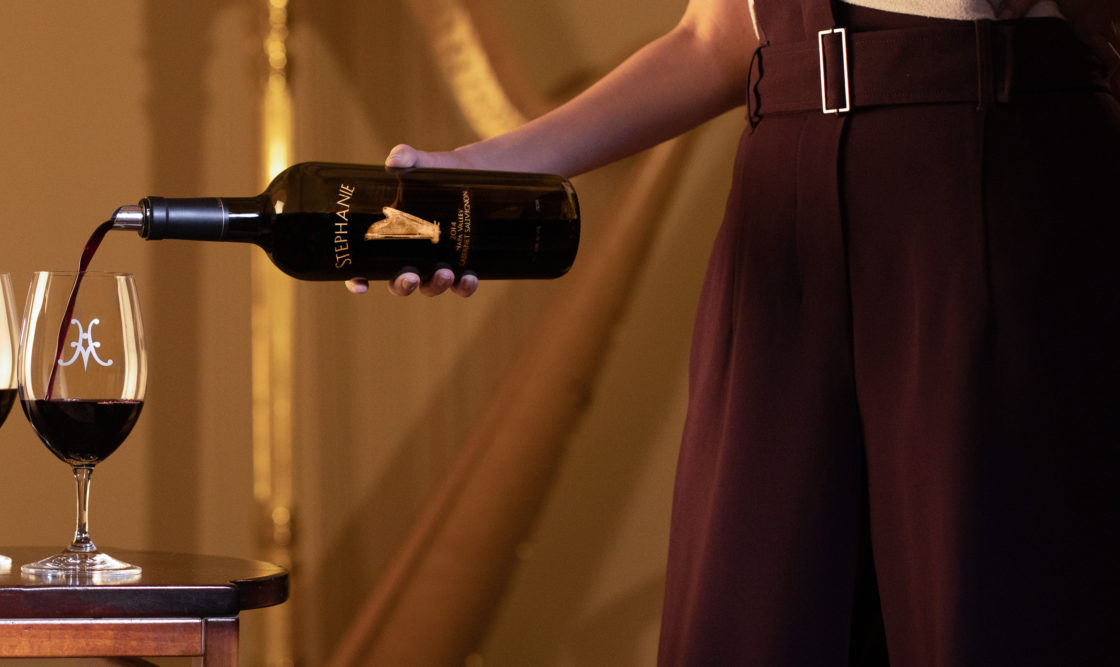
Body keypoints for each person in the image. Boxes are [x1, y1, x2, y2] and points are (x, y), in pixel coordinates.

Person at [361, 0, 1120, 664]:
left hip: (985, 171)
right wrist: (473, 172)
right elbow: (715, 35)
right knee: (753, 619)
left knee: (989, 613)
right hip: (780, 215)